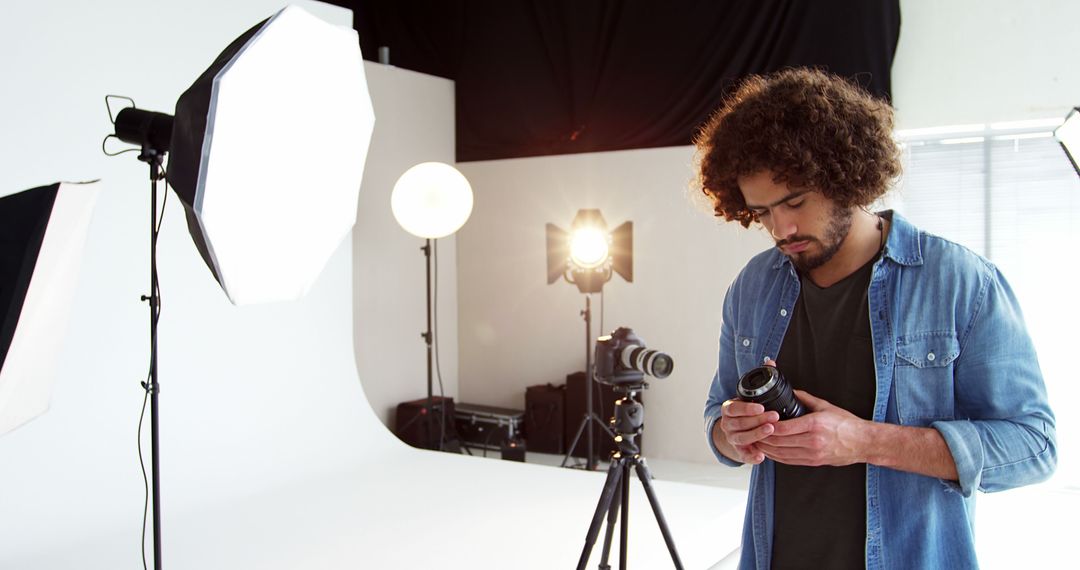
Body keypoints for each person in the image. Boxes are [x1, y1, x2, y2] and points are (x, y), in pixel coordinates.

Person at [696, 68, 1057, 570]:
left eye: (795, 202)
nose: (782, 229)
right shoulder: (753, 286)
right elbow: (718, 413)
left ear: (845, 175)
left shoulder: (960, 282)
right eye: (762, 213)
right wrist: (731, 433)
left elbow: (1033, 446)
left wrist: (865, 441)